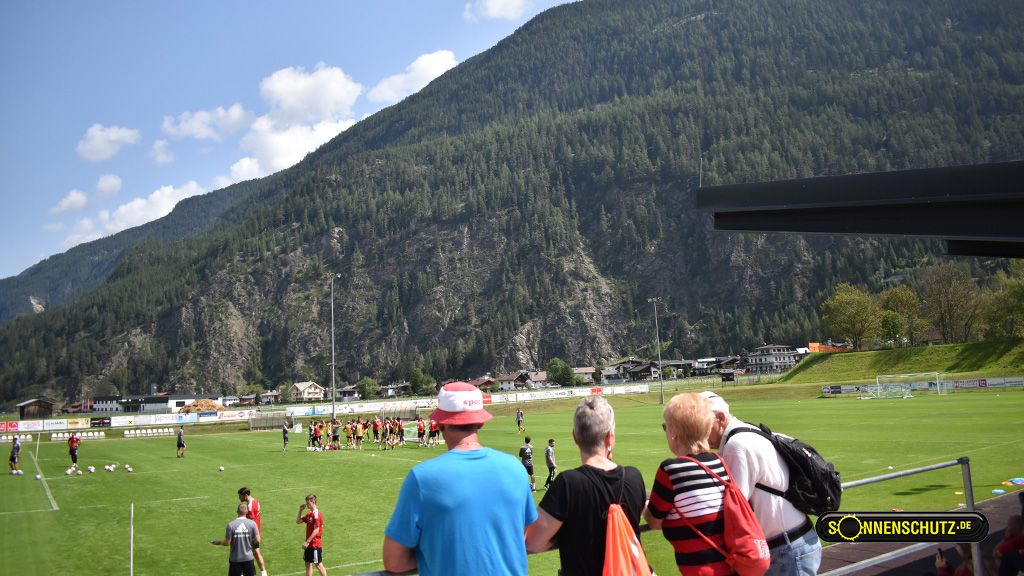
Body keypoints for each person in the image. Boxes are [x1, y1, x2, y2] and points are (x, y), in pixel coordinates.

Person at [383, 381, 537, 576]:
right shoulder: (515, 468)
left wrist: (434, 555)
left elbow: (394, 561)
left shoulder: (422, 478)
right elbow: (523, 535)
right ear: (480, 422)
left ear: (439, 424)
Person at [525, 395, 647, 575]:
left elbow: (533, 542)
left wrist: (564, 534)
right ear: (610, 437)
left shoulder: (568, 484)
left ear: (575, 437)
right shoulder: (634, 477)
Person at [704, 390, 822, 575]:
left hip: (786, 551)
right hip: (795, 542)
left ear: (720, 417)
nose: (697, 431)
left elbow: (736, 506)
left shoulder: (736, 445)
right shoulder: (749, 431)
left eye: (702, 425)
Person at [643, 393, 734, 576]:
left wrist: (644, 502)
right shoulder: (719, 462)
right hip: (731, 567)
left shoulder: (671, 470)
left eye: (665, 427)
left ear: (674, 433)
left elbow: (653, 520)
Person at [212, 502, 261, 576]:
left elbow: (227, 543)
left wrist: (219, 542)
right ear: (247, 512)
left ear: (237, 511)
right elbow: (257, 540)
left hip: (235, 559)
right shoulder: (252, 524)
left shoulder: (231, 525)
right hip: (248, 558)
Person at [239, 487, 269, 576]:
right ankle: (264, 573)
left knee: (244, 555)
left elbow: (251, 521)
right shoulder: (255, 501)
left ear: (245, 495)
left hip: (251, 535)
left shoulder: (250, 506)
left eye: (240, 496)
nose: (239, 498)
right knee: (256, 552)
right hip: (256, 533)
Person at [296, 494, 327, 576]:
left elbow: (316, 530)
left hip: (315, 545)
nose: (307, 505)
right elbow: (298, 521)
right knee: (307, 563)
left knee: (318, 565)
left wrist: (307, 541)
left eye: (308, 503)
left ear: (313, 502)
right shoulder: (310, 514)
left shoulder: (316, 514)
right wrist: (300, 510)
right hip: (310, 545)